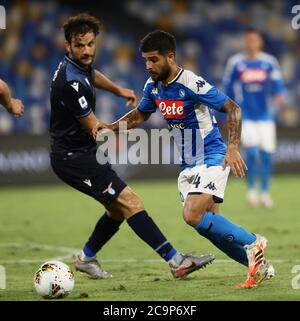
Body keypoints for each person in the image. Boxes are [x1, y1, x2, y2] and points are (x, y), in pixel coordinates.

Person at [93, 30, 275, 288]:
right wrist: (111, 128)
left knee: (191, 214)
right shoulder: (152, 87)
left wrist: (232, 148)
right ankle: (259, 267)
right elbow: (141, 115)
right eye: (145, 60)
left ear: (170, 57)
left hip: (212, 155)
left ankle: (253, 242)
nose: (148, 66)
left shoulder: (190, 82)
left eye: (154, 59)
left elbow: (233, 107)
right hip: (189, 163)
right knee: (207, 228)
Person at [49, 13, 214, 280]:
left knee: (116, 209)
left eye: (91, 44)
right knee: (130, 201)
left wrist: (118, 90)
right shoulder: (69, 83)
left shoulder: (77, 67)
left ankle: (86, 258)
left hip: (82, 152)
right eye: (80, 45)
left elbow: (93, 75)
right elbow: (95, 128)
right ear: (68, 46)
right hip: (72, 157)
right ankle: (176, 261)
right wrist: (125, 127)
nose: (87, 50)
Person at [223, 28, 286, 208]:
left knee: (266, 154)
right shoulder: (236, 62)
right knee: (251, 152)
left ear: (260, 42)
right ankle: (251, 191)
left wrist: (280, 95)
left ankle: (265, 192)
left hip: (266, 115)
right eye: (248, 40)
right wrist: (227, 109)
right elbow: (227, 86)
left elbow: (278, 84)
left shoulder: (269, 62)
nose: (251, 43)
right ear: (245, 42)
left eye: (254, 40)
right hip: (246, 115)